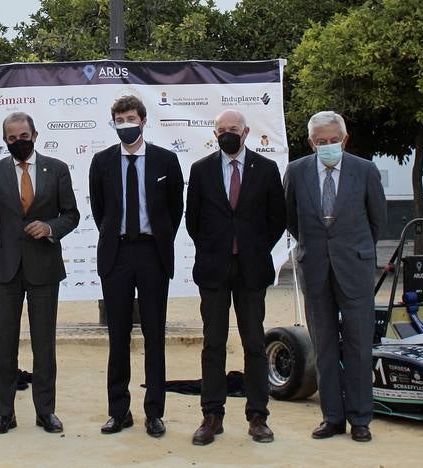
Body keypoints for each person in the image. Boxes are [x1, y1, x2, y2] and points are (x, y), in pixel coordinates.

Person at [0, 111, 80, 434]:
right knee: (4, 343)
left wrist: (50, 227)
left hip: (44, 267)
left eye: (23, 137)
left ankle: (46, 412)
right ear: (5, 141)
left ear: (35, 135)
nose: (18, 143)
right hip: (5, 269)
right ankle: (4, 414)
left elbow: (72, 215)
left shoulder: (56, 169)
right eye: (11, 139)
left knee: (44, 345)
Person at [185, 109, 287, 445]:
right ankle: (212, 415)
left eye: (233, 129)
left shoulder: (267, 169)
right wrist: (217, 248)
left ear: (245, 133)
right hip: (214, 269)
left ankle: (258, 416)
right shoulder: (201, 170)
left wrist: (253, 248)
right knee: (213, 343)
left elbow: (277, 219)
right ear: (215, 134)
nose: (226, 134)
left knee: (254, 343)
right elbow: (193, 220)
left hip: (252, 269)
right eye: (221, 129)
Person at [284, 110, 386, 443]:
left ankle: (360, 419)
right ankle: (332, 417)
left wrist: (354, 250)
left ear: (345, 140)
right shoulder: (296, 172)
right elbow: (291, 219)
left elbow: (376, 220)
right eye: (320, 141)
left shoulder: (365, 170)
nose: (327, 146)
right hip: (314, 268)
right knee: (324, 346)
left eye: (333, 141)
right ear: (311, 142)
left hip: (354, 269)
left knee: (358, 346)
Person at [89, 94, 184, 438]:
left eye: (131, 118)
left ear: (144, 121)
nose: (126, 124)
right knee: (118, 337)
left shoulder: (166, 161)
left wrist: (154, 240)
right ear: (113, 123)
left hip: (152, 254)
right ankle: (119, 411)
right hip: (116, 255)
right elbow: (101, 211)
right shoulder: (101, 162)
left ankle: (154, 413)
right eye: (120, 119)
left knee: (154, 334)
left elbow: (175, 210)